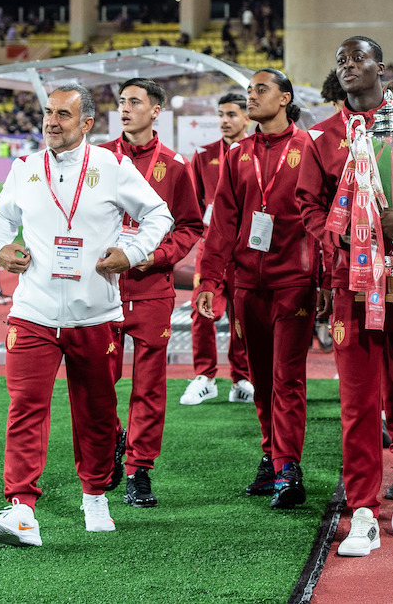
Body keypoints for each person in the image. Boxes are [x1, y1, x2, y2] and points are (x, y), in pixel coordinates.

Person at [0, 83, 173, 546]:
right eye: (48, 113)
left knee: (96, 410)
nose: (51, 122)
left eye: (63, 115)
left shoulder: (110, 167)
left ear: (86, 123)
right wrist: (0, 248)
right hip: (33, 312)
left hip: (95, 313)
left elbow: (159, 214)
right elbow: (0, 220)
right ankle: (22, 508)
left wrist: (131, 252)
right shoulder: (24, 168)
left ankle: (95, 494)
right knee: (26, 407)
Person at [296, 36, 393, 557]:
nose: (347, 66)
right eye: (339, 60)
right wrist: (341, 233)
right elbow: (309, 208)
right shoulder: (320, 138)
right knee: (358, 404)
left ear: (380, 68)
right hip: (353, 284)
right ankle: (363, 509)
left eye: (357, 58)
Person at [198, 69, 318, 509]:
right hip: (247, 282)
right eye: (249, 91)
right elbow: (224, 223)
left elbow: (319, 218)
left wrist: (321, 278)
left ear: (285, 98)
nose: (251, 97)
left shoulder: (309, 148)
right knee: (262, 379)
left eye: (260, 90)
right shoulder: (238, 154)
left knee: (288, 377)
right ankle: (271, 455)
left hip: (295, 282)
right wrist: (211, 279)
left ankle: (288, 467)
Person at [105, 78, 204, 507]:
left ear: (156, 110)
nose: (125, 109)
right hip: (101, 289)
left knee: (149, 384)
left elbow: (191, 226)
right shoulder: (97, 159)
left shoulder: (176, 165)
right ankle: (108, 446)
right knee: (99, 381)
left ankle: (139, 470)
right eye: (121, 102)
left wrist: (157, 256)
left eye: (135, 102)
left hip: (151, 290)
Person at [180, 94, 255, 406]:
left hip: (247, 248)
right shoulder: (204, 154)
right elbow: (194, 205)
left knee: (243, 315)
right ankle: (205, 377)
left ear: (246, 118)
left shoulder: (257, 152)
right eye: (222, 114)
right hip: (211, 249)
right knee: (203, 311)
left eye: (232, 115)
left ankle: (241, 379)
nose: (225, 120)